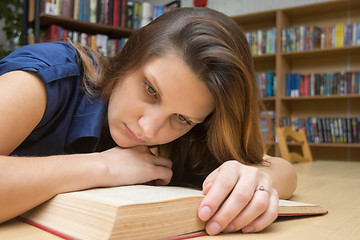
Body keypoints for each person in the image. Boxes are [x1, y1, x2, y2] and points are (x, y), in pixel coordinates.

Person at [0, 7, 296, 235]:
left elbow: (282, 171)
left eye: (181, 118)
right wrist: (103, 167)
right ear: (129, 56)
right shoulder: (51, 75)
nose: (149, 129)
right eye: (150, 89)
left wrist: (258, 179)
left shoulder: (188, 135)